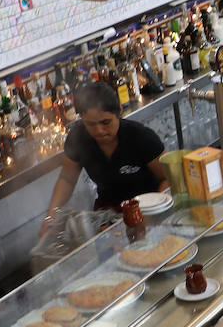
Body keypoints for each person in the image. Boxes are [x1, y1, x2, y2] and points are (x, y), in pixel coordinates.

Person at [41, 82, 166, 229]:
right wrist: (51, 215)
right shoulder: (78, 138)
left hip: (148, 207)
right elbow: (67, 179)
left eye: (106, 122)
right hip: (108, 212)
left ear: (118, 111)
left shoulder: (140, 137)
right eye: (90, 124)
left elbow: (167, 178)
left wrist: (151, 215)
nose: (99, 130)